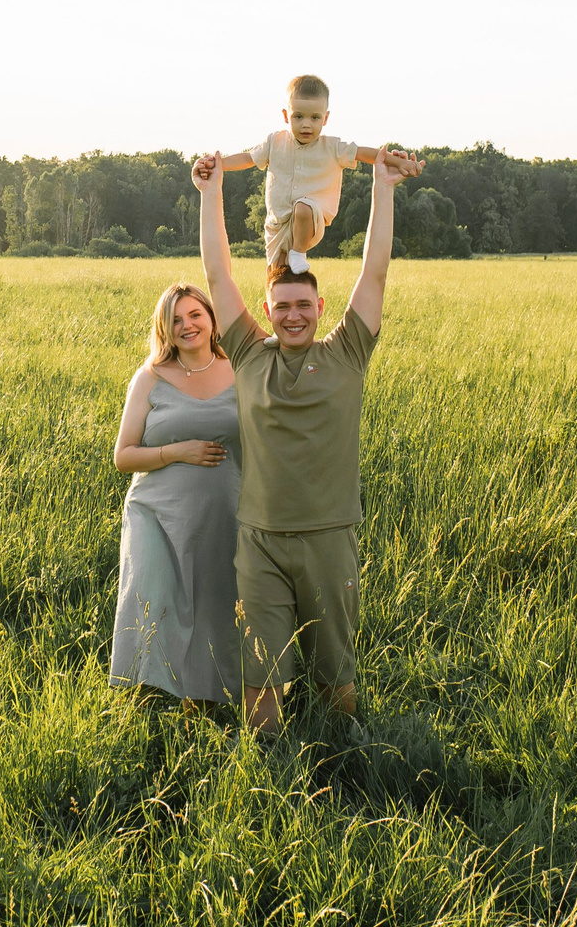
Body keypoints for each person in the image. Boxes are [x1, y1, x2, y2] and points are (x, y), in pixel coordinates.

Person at [189, 142, 422, 735]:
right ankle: (267, 776)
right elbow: (217, 271)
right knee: (260, 680)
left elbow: (375, 269)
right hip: (260, 541)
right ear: (266, 309)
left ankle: (345, 766)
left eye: (303, 305)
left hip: (328, 536)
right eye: (282, 306)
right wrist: (211, 192)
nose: (294, 315)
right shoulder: (246, 354)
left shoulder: (347, 352)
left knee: (334, 679)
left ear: (320, 306)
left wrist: (384, 186)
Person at [108, 283, 243, 702]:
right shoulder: (150, 377)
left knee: (217, 604)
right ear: (164, 329)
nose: (187, 326)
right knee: (153, 597)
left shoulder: (240, 369)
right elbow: (123, 456)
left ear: (212, 318)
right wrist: (176, 452)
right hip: (155, 515)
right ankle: (146, 695)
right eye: (176, 320)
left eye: (195, 315)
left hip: (224, 513)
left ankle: (209, 698)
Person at [198, 74, 394, 274]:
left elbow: (363, 153)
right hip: (277, 225)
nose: (306, 124)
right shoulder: (275, 142)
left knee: (303, 206)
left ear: (325, 118)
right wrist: (218, 164)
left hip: (311, 221)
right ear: (286, 115)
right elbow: (248, 158)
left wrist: (397, 162)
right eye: (298, 116)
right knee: (276, 273)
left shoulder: (333, 147)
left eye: (314, 118)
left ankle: (298, 253)